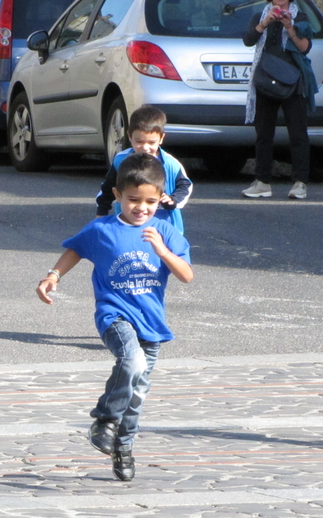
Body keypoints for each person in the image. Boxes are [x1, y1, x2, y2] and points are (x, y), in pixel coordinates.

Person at [37, 153, 193, 481]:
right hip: (115, 315)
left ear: (160, 198)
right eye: (133, 200)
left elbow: (186, 275)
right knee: (132, 363)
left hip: (151, 322)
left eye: (150, 201)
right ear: (118, 196)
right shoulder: (102, 229)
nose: (142, 208)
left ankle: (122, 446)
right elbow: (75, 249)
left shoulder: (165, 231)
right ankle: (105, 418)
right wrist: (54, 275)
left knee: (136, 395)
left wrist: (163, 251)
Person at [241, 0, 317, 200]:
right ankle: (262, 182)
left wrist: (289, 27)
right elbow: (248, 40)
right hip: (266, 79)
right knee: (263, 133)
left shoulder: (300, 17)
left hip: (293, 81)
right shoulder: (259, 16)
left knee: (298, 133)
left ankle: (300, 183)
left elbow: (304, 48)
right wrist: (265, 22)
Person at [95, 105, 192, 233]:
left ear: (161, 138)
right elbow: (107, 188)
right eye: (139, 141)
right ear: (129, 136)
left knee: (162, 252)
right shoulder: (121, 160)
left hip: (165, 226)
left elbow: (185, 185)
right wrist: (101, 213)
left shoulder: (170, 163)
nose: (145, 147)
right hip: (129, 224)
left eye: (151, 142)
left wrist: (173, 199)